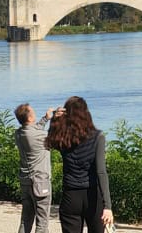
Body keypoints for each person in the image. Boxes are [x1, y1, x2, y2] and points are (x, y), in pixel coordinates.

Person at [45, 96, 114, 233]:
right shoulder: (98, 137)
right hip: (93, 196)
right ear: (86, 113)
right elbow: (101, 172)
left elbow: (48, 143)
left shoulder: (63, 138)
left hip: (70, 196)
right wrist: (108, 206)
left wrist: (54, 120)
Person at [14, 103, 55, 233]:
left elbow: (34, 129)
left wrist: (46, 118)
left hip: (26, 181)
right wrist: (55, 120)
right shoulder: (39, 136)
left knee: (25, 220)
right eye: (33, 112)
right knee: (42, 223)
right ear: (30, 118)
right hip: (40, 181)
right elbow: (54, 139)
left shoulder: (19, 133)